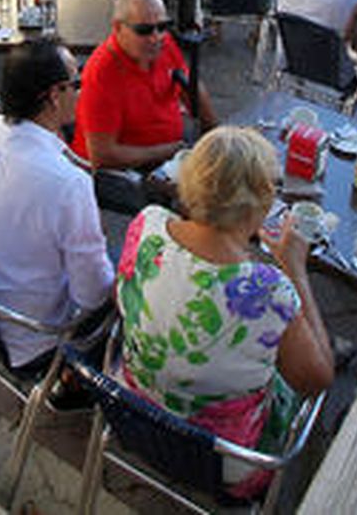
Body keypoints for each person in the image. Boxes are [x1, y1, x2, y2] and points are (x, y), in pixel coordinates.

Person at [115, 127, 332, 495]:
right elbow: (317, 381)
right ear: (261, 204)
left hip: (131, 414)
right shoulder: (267, 289)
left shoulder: (148, 224)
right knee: (310, 364)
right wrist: (295, 269)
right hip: (221, 459)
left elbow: (123, 298)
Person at [0, 41, 114, 368]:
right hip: (28, 338)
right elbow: (93, 295)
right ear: (54, 95)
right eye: (76, 84)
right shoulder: (67, 184)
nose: (81, 91)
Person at [71, 0, 215, 169]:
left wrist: (215, 133)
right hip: (125, 172)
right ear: (118, 28)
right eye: (144, 30)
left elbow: (190, 87)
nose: (156, 38)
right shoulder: (101, 74)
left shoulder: (164, 43)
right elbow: (102, 155)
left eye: (163, 26)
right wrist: (172, 150)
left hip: (171, 153)